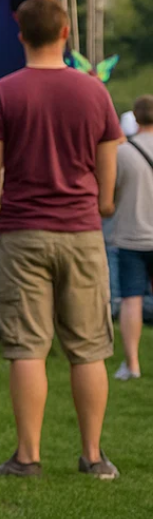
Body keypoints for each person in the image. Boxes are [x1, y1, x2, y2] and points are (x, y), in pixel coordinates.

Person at [0, 0, 123, 479]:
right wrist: (98, 206)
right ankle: (95, 456)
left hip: (21, 232)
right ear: (65, 34)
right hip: (82, 231)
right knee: (89, 347)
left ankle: (27, 457)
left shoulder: (1, 93)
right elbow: (109, 180)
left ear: (21, 35)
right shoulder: (95, 93)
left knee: (27, 347)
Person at [111, 94, 153, 380]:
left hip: (130, 234)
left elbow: (109, 195)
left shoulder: (123, 152)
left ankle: (132, 364)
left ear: (135, 118)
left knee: (131, 299)